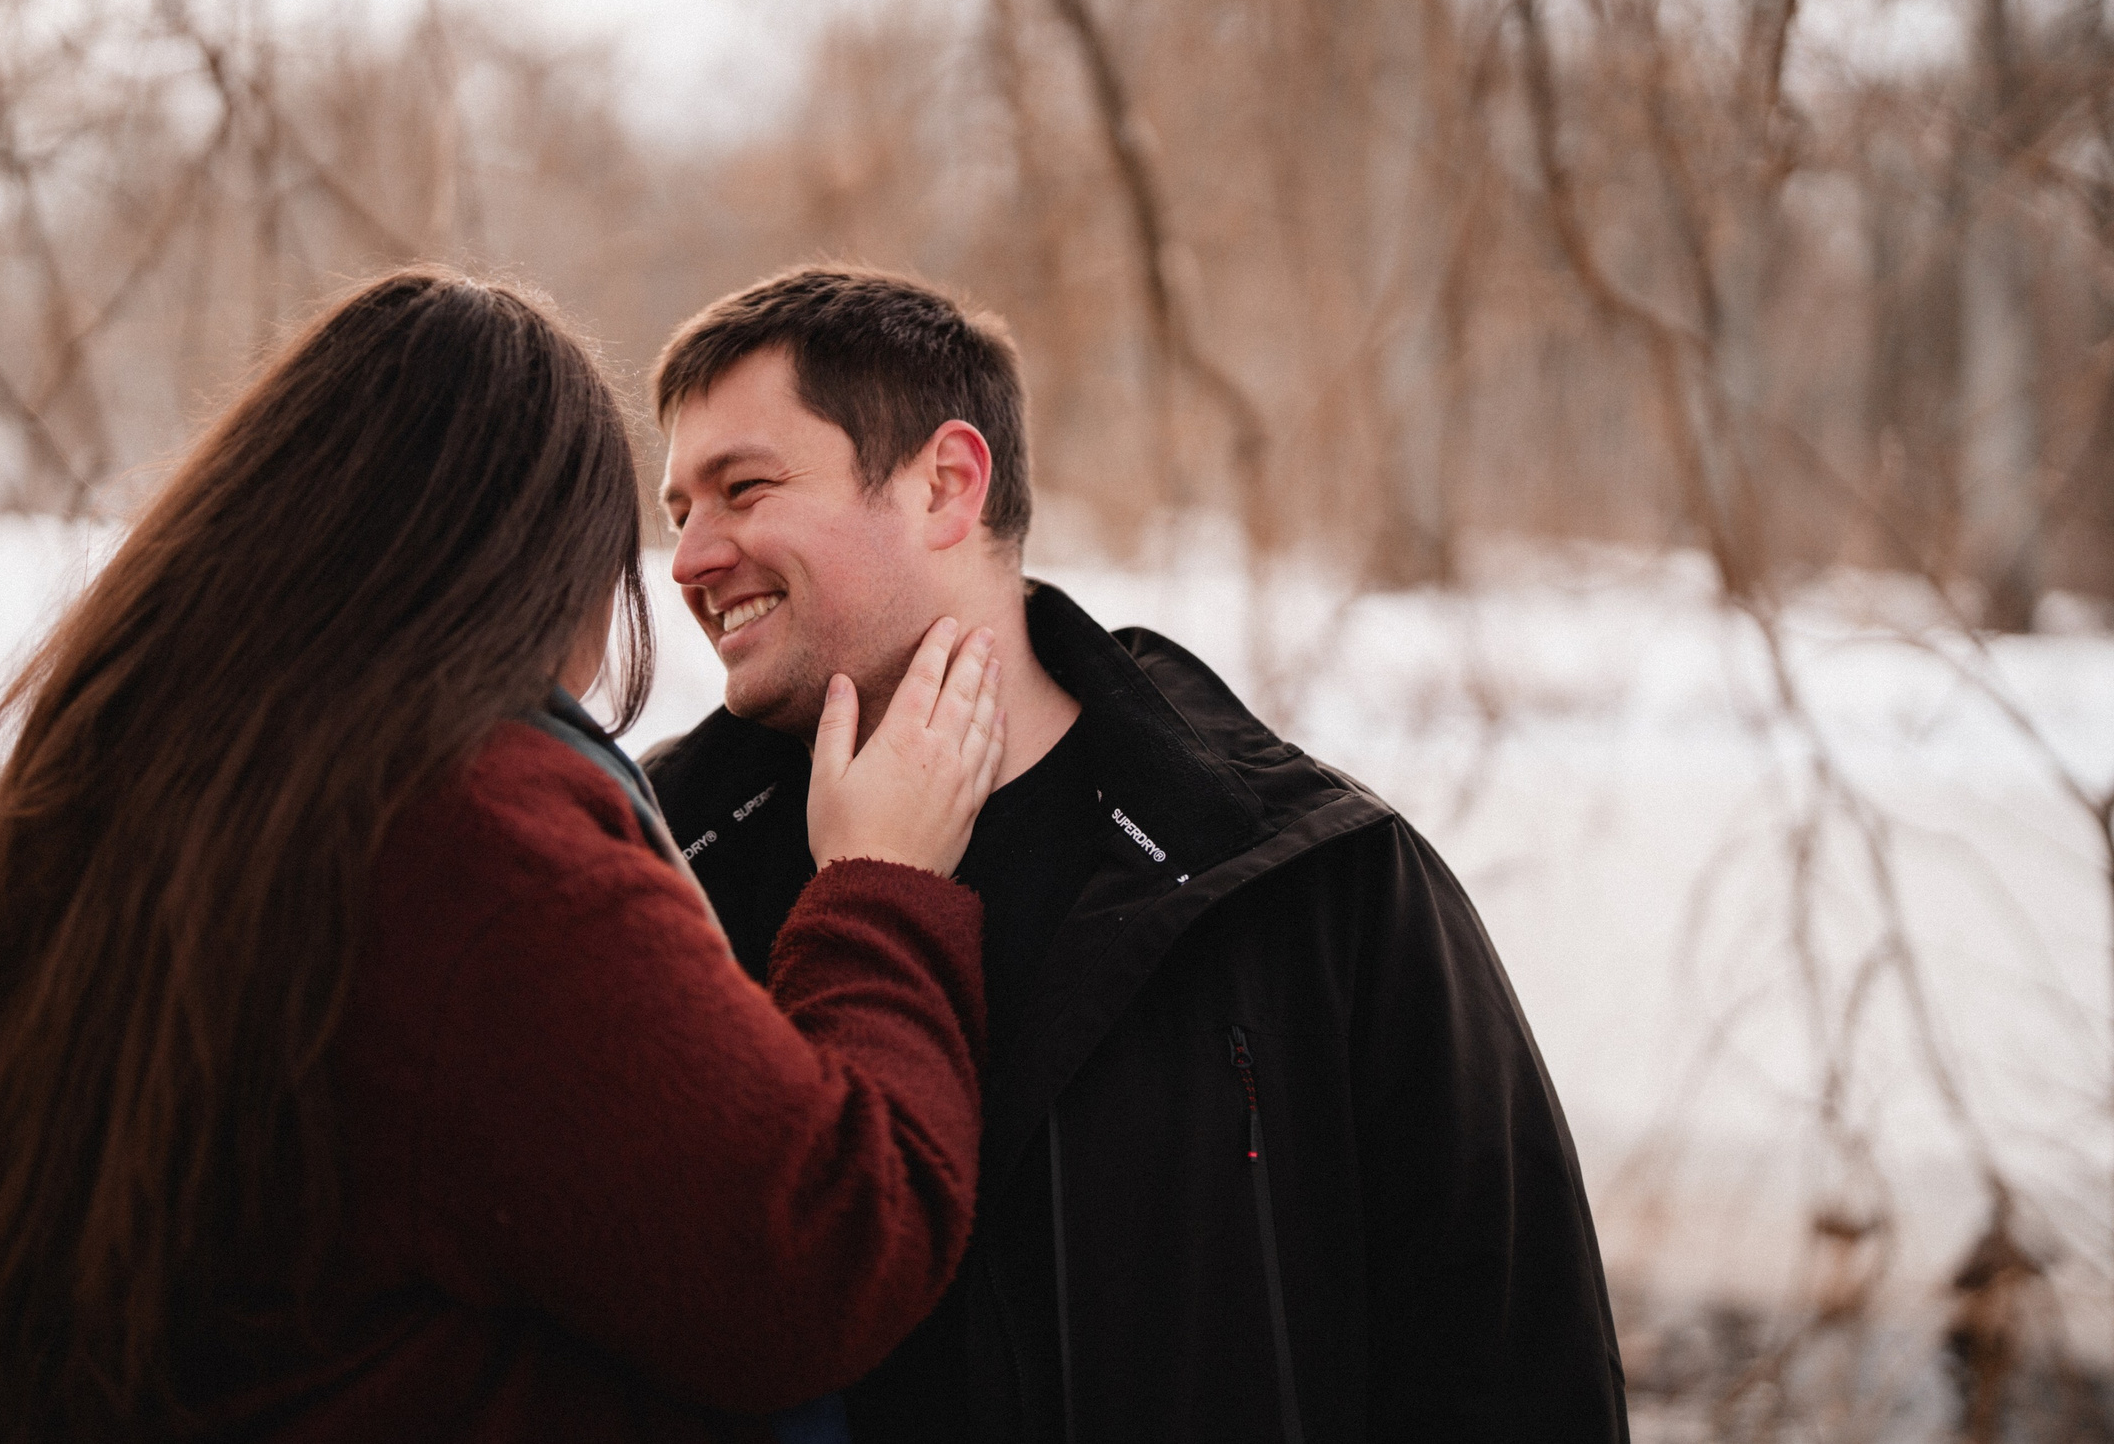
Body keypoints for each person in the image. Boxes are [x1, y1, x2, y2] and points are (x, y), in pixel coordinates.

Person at [0, 267, 1013, 1444]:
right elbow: (817, 1256)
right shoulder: (477, 844)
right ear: (529, 555)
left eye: (742, 491)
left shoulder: (144, 792)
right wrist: (883, 887)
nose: (681, 570)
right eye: (644, 531)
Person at [644, 266, 1630, 1443]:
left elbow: (1512, 1373)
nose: (692, 559)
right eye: (677, 514)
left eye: (742, 490)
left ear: (946, 485)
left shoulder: (1310, 882)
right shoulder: (655, 880)